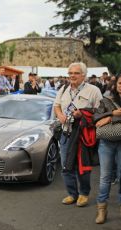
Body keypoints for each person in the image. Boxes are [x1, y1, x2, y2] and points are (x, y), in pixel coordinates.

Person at [54, 62, 103, 207]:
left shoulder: (93, 90)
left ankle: (83, 194)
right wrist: (60, 115)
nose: (72, 76)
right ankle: (72, 194)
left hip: (82, 134)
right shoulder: (63, 89)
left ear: (83, 75)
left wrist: (82, 114)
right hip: (66, 133)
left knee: (82, 165)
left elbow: (100, 111)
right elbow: (56, 105)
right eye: (70, 73)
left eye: (75, 73)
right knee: (66, 165)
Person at [93, 75, 121, 224]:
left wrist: (110, 119)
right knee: (105, 178)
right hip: (107, 142)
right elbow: (96, 120)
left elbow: (104, 119)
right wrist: (112, 114)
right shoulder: (106, 100)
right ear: (115, 84)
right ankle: (102, 210)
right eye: (120, 83)